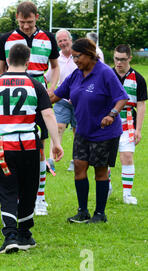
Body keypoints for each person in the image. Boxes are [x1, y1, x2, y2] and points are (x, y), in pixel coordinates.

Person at [0, 43, 63, 254]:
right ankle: (24, 233)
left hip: (5, 146)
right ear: (28, 60)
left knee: (7, 189)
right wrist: (56, 142)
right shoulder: (35, 84)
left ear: (7, 59)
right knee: (28, 188)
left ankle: (12, 235)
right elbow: (48, 115)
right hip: (30, 146)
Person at [50, 38, 129, 224]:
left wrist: (112, 114)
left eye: (78, 56)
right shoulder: (76, 75)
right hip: (83, 132)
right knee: (79, 167)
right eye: (73, 57)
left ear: (89, 54)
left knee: (100, 171)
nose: (75, 60)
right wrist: (36, 102)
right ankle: (82, 211)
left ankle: (100, 214)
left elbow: (122, 98)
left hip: (104, 132)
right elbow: (56, 95)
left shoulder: (105, 73)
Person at [0, 1, 60, 217]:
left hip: (38, 97)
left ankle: (39, 198)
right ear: (16, 18)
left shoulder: (48, 38)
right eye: (22, 22)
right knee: (11, 144)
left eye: (29, 22)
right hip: (12, 97)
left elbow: (56, 66)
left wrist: (52, 87)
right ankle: (13, 197)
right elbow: (0, 69)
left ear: (37, 17)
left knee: (39, 147)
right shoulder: (6, 39)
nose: (25, 26)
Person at [112, 44, 147, 205]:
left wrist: (138, 130)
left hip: (128, 123)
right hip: (108, 122)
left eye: (123, 60)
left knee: (127, 156)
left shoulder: (138, 79)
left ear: (130, 58)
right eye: (116, 59)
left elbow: (141, 105)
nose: (119, 63)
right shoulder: (107, 75)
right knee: (105, 159)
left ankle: (127, 194)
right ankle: (107, 187)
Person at [45, 29, 78, 175]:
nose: (63, 43)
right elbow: (47, 77)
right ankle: (51, 159)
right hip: (61, 99)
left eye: (65, 40)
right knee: (58, 127)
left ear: (71, 40)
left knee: (79, 131)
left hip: (80, 100)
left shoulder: (79, 55)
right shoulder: (56, 59)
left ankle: (76, 160)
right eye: (60, 41)